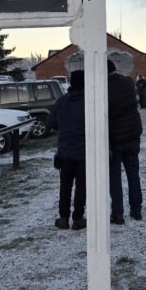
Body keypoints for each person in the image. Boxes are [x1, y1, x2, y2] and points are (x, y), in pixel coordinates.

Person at [47, 70, 86, 230]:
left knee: (65, 186)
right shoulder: (89, 102)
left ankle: (63, 218)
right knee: (81, 187)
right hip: (83, 152)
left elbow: (51, 123)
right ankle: (78, 218)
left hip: (64, 151)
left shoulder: (61, 101)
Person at [107, 60, 144, 223]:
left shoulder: (104, 87)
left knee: (114, 177)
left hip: (115, 138)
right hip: (132, 135)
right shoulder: (128, 83)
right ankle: (136, 209)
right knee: (133, 174)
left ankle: (118, 213)